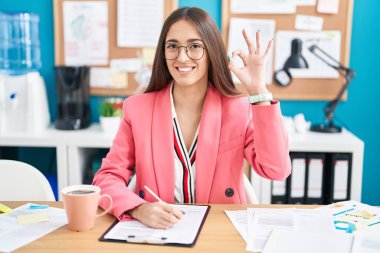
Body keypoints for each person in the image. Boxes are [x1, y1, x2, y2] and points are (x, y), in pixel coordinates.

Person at [93, 7, 291, 229]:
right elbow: (106, 178)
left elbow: (276, 170)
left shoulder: (238, 108)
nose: (182, 57)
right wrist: (139, 209)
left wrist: (259, 92)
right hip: (157, 232)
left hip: (220, 231)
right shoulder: (137, 109)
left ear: (212, 51)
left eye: (195, 46)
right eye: (173, 46)